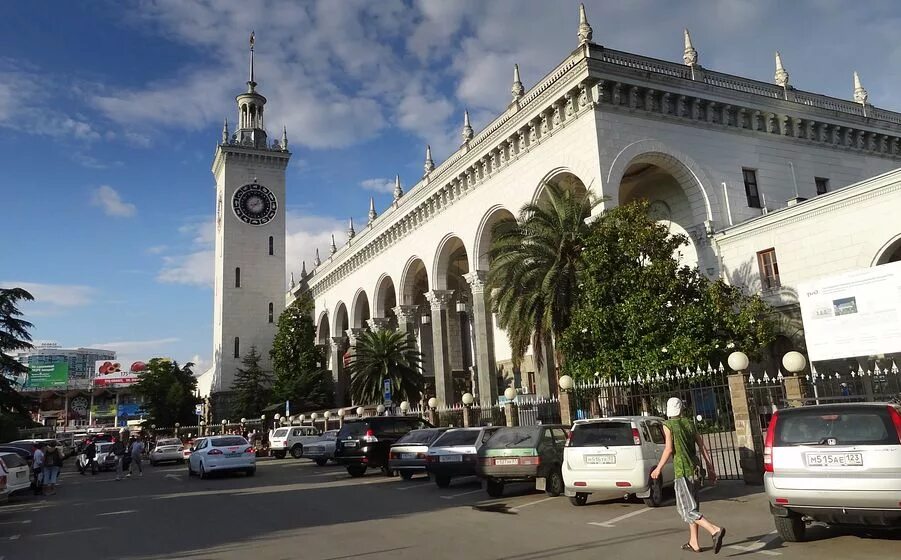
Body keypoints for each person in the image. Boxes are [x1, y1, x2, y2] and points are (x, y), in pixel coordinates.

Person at [651, 397, 726, 554]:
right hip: (695, 470)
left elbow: (669, 449)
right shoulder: (689, 423)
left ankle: (714, 530)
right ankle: (694, 542)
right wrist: (710, 468)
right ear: (681, 409)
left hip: (682, 471)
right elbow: (702, 446)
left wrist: (658, 468)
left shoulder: (668, 425)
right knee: (694, 506)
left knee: (686, 509)